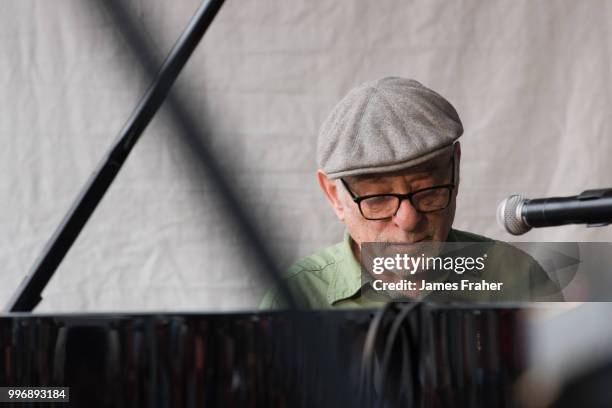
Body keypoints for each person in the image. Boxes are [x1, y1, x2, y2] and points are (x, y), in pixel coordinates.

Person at [260, 77, 562, 309]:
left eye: (428, 191)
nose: (408, 220)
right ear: (334, 196)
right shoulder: (296, 300)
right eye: (377, 199)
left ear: (455, 168)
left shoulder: (517, 279)